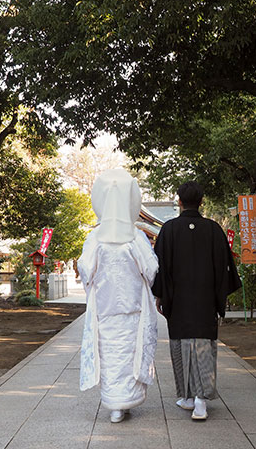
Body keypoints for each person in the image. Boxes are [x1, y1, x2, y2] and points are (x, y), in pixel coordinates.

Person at [151, 181, 242, 420]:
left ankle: (189, 397)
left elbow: (158, 266)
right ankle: (201, 400)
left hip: (178, 301)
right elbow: (226, 269)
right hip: (205, 302)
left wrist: (160, 294)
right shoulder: (213, 230)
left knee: (180, 345)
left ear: (179, 201)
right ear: (201, 202)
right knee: (204, 346)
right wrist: (218, 296)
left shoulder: (169, 230)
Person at [78, 169, 160, 423]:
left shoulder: (96, 237)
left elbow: (84, 268)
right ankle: (126, 399)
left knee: (109, 354)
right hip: (133, 306)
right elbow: (151, 268)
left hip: (105, 307)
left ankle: (114, 404)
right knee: (130, 353)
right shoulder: (135, 237)